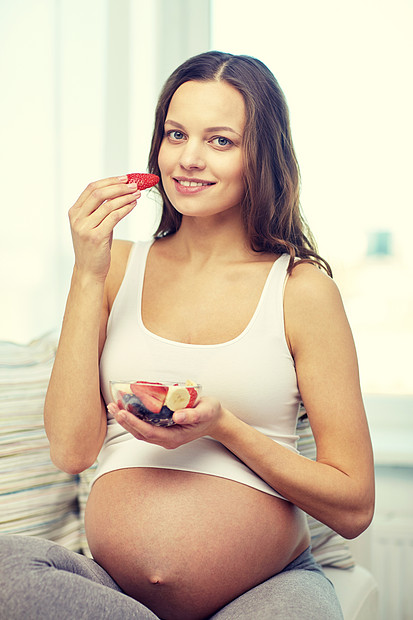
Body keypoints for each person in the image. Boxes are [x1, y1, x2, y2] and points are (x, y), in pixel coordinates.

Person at [0, 51, 374, 619]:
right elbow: (71, 450)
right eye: (176, 134)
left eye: (220, 140)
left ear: (260, 156)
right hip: (116, 595)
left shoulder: (300, 288)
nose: (189, 159)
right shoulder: (114, 267)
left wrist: (224, 427)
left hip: (266, 590)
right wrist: (88, 270)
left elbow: (354, 507)